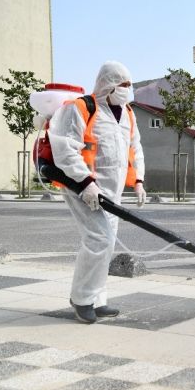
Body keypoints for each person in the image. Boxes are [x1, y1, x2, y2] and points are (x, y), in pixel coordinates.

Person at [49, 61, 146, 324]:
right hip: (82, 187)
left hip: (111, 191)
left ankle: (96, 298)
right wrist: (85, 181)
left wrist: (138, 180)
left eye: (129, 84)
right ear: (107, 84)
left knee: (107, 243)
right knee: (99, 240)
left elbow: (134, 149)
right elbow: (65, 148)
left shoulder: (127, 113)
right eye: (122, 84)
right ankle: (81, 299)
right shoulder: (81, 108)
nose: (127, 89)